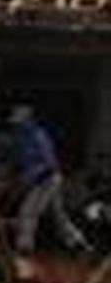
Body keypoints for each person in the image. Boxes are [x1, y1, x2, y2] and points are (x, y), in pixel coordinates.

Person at [8, 105, 94, 260]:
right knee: (58, 215)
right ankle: (79, 244)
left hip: (47, 179)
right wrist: (21, 175)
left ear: (29, 121)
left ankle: (24, 248)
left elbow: (50, 163)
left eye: (20, 122)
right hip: (40, 180)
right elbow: (21, 160)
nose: (17, 125)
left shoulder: (38, 135)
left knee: (28, 212)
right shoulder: (22, 137)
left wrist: (31, 178)